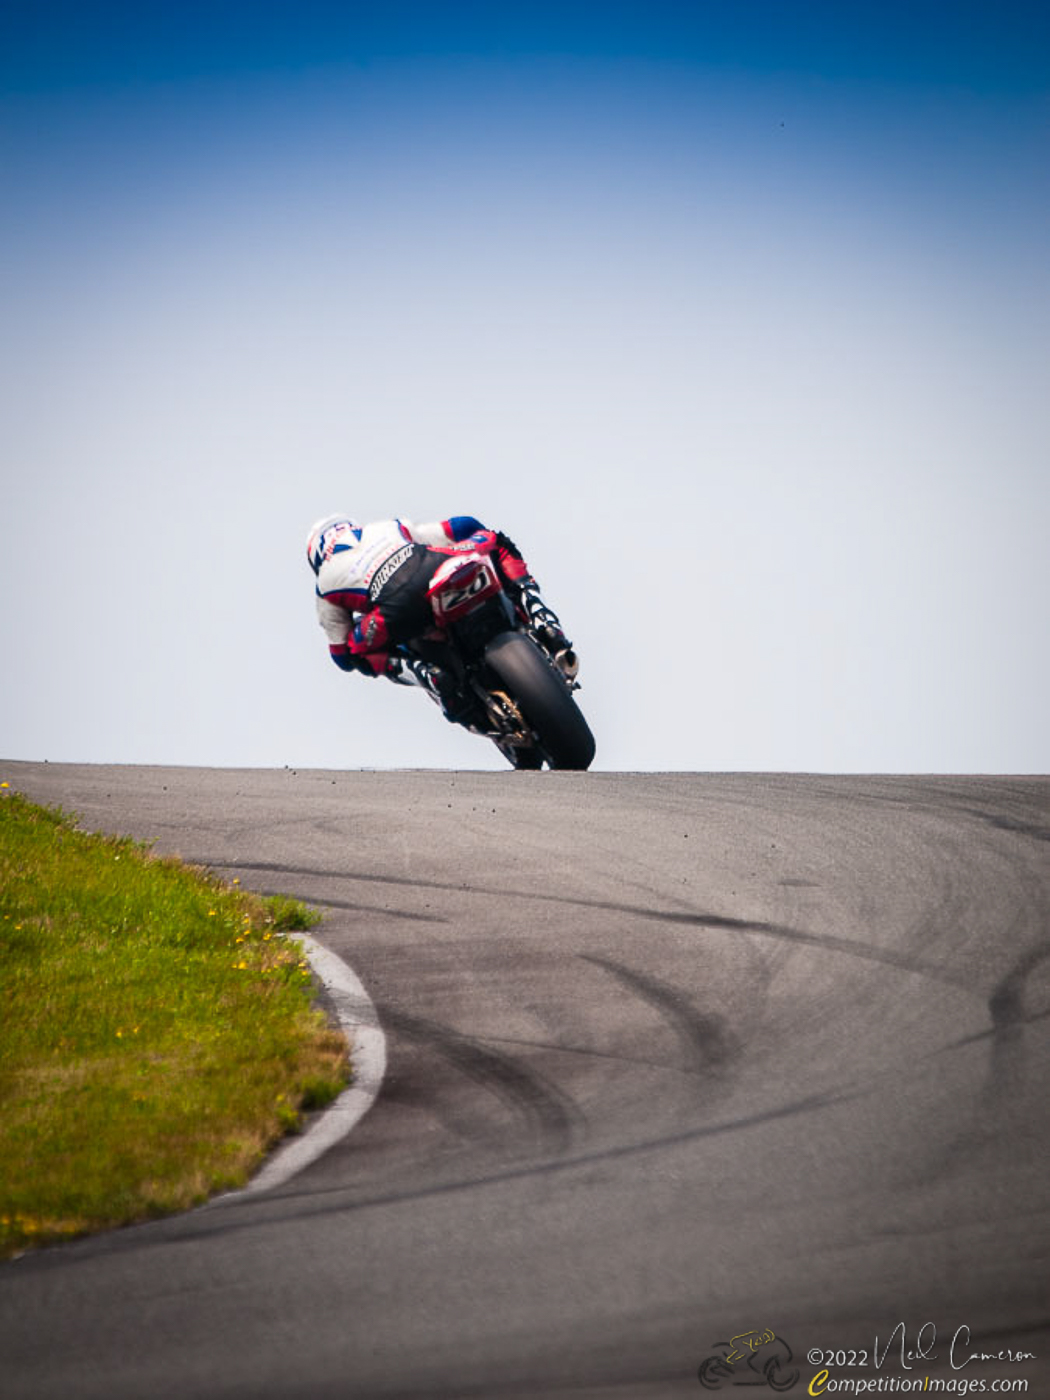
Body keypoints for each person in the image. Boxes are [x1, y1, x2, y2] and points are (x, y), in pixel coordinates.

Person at [305, 514, 573, 723]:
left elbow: (341, 654)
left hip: (397, 610)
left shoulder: (325, 582)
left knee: (355, 653)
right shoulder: (389, 526)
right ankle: (542, 618)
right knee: (497, 542)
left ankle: (425, 673)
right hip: (434, 566)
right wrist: (475, 542)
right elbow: (462, 525)